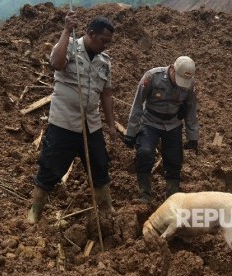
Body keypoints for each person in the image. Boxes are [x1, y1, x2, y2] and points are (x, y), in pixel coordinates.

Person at [28, 14, 118, 223]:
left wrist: (111, 125)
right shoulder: (68, 45)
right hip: (64, 123)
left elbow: (106, 94)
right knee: (50, 167)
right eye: (103, 40)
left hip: (91, 124)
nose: (105, 46)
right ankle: (35, 212)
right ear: (90, 33)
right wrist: (66, 31)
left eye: (108, 42)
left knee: (99, 166)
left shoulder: (105, 62)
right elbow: (56, 63)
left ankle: (106, 209)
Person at [124, 56, 200, 203]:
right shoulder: (152, 77)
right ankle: (144, 194)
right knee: (145, 152)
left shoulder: (190, 85)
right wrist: (131, 132)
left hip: (173, 124)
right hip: (150, 122)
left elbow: (191, 111)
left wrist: (193, 137)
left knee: (174, 159)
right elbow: (137, 105)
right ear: (172, 68)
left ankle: (172, 199)